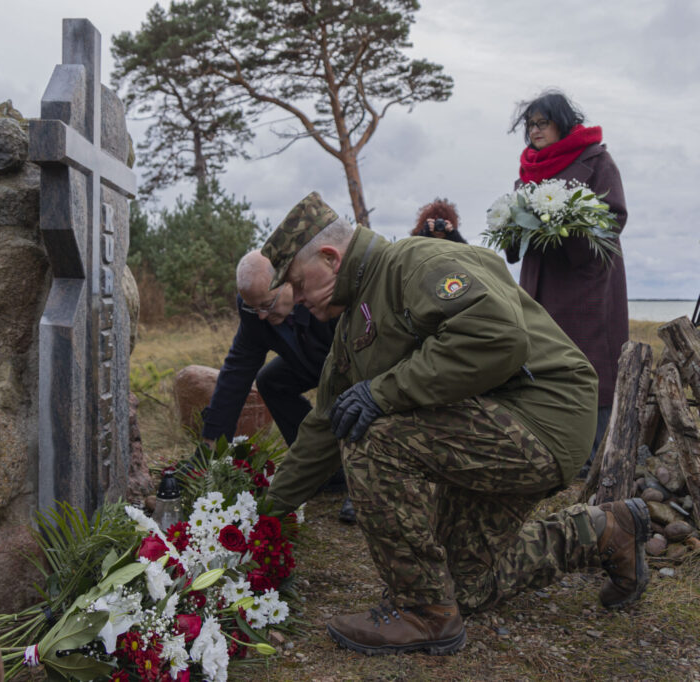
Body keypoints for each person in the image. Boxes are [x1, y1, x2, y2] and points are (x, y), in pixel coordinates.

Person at [259, 191, 650, 656]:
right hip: (495, 422)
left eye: (300, 284)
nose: (297, 299)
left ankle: (422, 611)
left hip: (544, 416)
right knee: (465, 589)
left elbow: (498, 339)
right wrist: (265, 514)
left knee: (372, 437)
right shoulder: (353, 321)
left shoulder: (417, 264)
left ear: (330, 256)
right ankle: (603, 531)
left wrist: (382, 392)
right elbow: (325, 423)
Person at [505, 90, 629, 474]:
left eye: (542, 122)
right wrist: (512, 229)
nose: (535, 131)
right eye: (530, 125)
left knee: (592, 365)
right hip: (540, 284)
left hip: (586, 284)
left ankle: (597, 455)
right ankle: (552, 446)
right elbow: (517, 227)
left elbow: (614, 217)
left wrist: (563, 229)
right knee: (543, 359)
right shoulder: (529, 169)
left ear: (562, 121)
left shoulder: (596, 160)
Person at [201, 250, 353, 522]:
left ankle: (359, 482)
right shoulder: (254, 308)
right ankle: (324, 474)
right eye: (253, 307)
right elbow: (237, 371)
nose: (260, 316)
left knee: (352, 400)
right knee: (270, 381)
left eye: (267, 305)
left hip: (352, 365)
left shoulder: (322, 293)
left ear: (288, 284)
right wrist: (212, 442)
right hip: (308, 359)